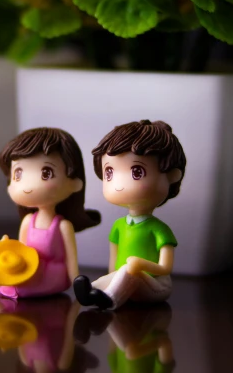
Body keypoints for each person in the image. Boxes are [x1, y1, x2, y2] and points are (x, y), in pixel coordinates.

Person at [0, 127, 100, 298]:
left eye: (46, 173)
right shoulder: (28, 221)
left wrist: (77, 283)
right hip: (29, 268)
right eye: (18, 173)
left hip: (52, 275)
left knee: (17, 284)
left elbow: (71, 260)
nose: (28, 185)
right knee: (13, 271)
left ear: (73, 183)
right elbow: (22, 252)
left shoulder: (62, 226)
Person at [74, 119, 186, 309]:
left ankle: (110, 299)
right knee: (120, 273)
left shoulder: (159, 229)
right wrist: (116, 278)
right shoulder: (119, 226)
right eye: (109, 172)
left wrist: (140, 265)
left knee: (127, 271)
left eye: (137, 171)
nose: (118, 183)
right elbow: (113, 264)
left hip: (156, 285)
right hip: (124, 282)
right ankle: (91, 292)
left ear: (171, 176)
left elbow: (165, 268)